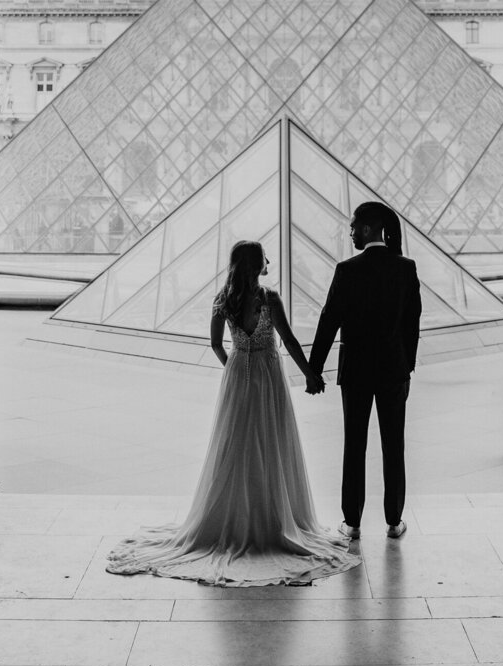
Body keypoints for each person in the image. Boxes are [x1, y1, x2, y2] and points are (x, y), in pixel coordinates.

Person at [105, 240, 360, 586]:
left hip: (239, 375)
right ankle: (272, 519)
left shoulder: (222, 299)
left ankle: (232, 517)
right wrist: (310, 374)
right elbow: (288, 340)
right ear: (257, 265)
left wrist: (234, 368)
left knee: (235, 448)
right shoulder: (269, 299)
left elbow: (214, 343)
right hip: (269, 376)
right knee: (271, 444)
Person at [307, 200, 421, 539]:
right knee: (393, 445)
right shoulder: (405, 268)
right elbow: (411, 325)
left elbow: (328, 321)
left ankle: (352, 523)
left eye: (354, 226)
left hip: (355, 372)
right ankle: (393, 521)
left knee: (354, 445)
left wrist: (315, 370)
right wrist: (408, 368)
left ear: (369, 228)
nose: (351, 232)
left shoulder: (347, 270)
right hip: (392, 370)